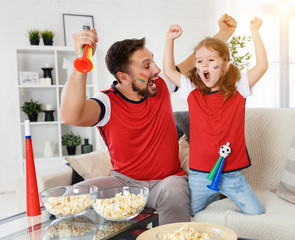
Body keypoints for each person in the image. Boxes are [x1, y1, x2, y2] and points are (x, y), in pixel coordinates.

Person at [60, 14, 237, 225]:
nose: (156, 69)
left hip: (167, 182)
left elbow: (195, 62)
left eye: (152, 61)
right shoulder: (107, 102)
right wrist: (82, 61)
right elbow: (71, 115)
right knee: (73, 194)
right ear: (124, 77)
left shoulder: (159, 85)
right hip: (124, 184)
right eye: (146, 66)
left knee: (174, 189)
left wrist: (224, 33)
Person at [163, 17, 268, 216]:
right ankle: (211, 197)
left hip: (232, 176)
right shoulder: (191, 90)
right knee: (189, 216)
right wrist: (170, 39)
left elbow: (261, 66)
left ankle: (216, 197)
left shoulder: (239, 89)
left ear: (226, 65)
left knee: (256, 213)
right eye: (200, 61)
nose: (204, 65)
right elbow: (169, 71)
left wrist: (254, 31)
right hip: (199, 176)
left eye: (211, 61)